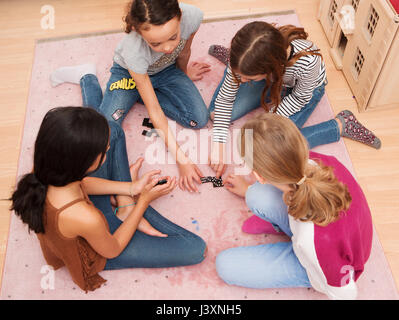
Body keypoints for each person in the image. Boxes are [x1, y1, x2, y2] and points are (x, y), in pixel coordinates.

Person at [9, 74, 207, 292]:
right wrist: (142, 202)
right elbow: (112, 250)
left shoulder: (48, 167)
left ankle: (88, 83)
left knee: (112, 130)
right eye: (103, 154)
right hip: (101, 245)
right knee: (196, 249)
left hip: (84, 210)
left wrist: (130, 188)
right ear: (81, 165)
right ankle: (126, 208)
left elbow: (82, 184)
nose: (107, 152)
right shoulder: (85, 216)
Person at [50, 0, 211, 193]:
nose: (168, 48)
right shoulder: (133, 49)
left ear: (180, 17)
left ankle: (138, 94)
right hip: (129, 74)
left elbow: (183, 51)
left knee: (199, 119)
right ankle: (87, 77)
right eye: (156, 43)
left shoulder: (192, 16)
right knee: (102, 131)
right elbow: (155, 111)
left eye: (173, 37)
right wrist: (182, 160)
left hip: (166, 70)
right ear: (137, 31)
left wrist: (183, 74)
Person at [217, 112, 373, 300]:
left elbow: (346, 292)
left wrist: (305, 247)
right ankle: (285, 227)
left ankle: (289, 234)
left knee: (225, 265)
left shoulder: (312, 240)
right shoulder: (318, 161)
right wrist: (248, 189)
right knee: (255, 194)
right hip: (340, 236)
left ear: (260, 176)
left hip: (331, 256)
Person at [207, 21, 381, 178]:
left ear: (271, 67)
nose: (243, 82)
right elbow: (225, 100)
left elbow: (299, 98)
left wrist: (269, 120)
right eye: (240, 75)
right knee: (216, 115)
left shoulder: (308, 61)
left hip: (302, 93)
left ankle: (342, 124)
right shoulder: (245, 56)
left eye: (248, 78)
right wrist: (219, 144)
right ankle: (241, 68)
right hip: (267, 78)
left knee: (277, 147)